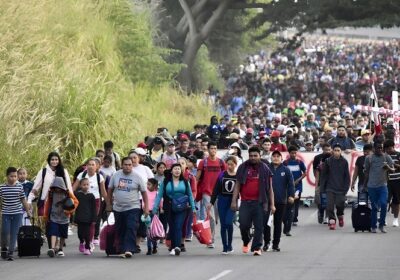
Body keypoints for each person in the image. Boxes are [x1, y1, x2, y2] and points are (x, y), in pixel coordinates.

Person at [231, 146, 275, 256]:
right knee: (244, 225)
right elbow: (237, 185)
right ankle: (246, 241)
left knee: (259, 226)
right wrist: (234, 201)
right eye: (251, 156)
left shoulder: (265, 169)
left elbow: (270, 189)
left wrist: (272, 204)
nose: (253, 158)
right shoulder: (243, 167)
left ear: (260, 156)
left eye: (255, 156)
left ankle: (257, 248)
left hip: (260, 203)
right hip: (245, 202)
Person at [107, 157, 149, 258]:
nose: (127, 167)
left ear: (132, 165)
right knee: (120, 229)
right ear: (122, 165)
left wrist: (146, 207)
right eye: (125, 164)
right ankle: (122, 249)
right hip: (118, 208)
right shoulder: (116, 175)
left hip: (133, 207)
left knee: (131, 226)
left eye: (129, 165)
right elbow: (110, 190)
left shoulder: (137, 177)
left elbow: (144, 193)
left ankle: (129, 249)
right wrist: (109, 204)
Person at [27, 152, 73, 242]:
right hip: (46, 203)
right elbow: (36, 187)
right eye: (52, 159)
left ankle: (57, 245)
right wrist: (29, 199)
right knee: (49, 225)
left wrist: (71, 201)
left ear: (59, 160)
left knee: (60, 224)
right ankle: (52, 246)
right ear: (49, 160)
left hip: (61, 203)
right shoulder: (43, 172)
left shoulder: (63, 171)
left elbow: (69, 187)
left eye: (56, 159)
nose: (54, 161)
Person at [152, 164, 196, 256]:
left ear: (181, 171)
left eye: (179, 169)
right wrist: (155, 208)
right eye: (175, 169)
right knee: (172, 226)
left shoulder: (185, 182)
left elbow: (190, 195)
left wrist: (193, 207)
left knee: (178, 226)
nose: (177, 171)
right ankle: (172, 246)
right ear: (171, 171)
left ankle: (177, 247)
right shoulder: (166, 181)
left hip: (182, 207)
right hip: (168, 206)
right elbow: (159, 195)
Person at [196, 141, 226, 248]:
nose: (213, 150)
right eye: (211, 148)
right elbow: (197, 178)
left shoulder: (221, 162)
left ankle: (211, 234)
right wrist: (194, 191)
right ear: (208, 149)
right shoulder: (203, 163)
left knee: (217, 218)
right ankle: (210, 239)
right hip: (207, 192)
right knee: (211, 216)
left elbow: (226, 176)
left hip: (219, 193)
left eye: (215, 148)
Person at [73, 158, 107, 248]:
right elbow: (73, 188)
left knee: (92, 221)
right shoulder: (82, 175)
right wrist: (70, 199)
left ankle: (90, 241)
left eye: (93, 165)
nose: (91, 166)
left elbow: (103, 192)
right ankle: (83, 240)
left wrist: (109, 204)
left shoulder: (99, 177)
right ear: (86, 166)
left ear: (97, 167)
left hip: (95, 200)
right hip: (82, 200)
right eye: (89, 164)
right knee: (81, 221)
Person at [265, 150, 294, 251]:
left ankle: (275, 244)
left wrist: (291, 195)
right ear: (271, 158)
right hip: (267, 201)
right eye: (274, 156)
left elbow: (290, 184)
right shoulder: (266, 168)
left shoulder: (286, 170)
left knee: (278, 223)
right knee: (266, 223)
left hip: (281, 201)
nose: (276, 158)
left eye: (278, 156)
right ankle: (266, 242)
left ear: (281, 158)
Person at [209, 156, 237, 254]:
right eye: (228, 164)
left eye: (231, 164)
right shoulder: (222, 175)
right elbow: (216, 189)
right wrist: (211, 202)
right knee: (223, 225)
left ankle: (230, 244)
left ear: (235, 164)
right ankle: (225, 247)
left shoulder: (238, 176)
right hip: (222, 201)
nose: (229, 166)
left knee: (229, 222)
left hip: (232, 202)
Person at [0, 167, 31, 261]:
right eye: (11, 176)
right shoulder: (2, 187)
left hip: (18, 213)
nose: (13, 178)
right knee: (5, 232)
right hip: (6, 213)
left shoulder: (19, 187)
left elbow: (23, 200)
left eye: (15, 176)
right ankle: (4, 247)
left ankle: (11, 253)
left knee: (14, 233)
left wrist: (28, 212)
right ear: (7, 176)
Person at [44, 176, 78, 257]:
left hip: (64, 218)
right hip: (53, 216)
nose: (57, 189)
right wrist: (46, 215)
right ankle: (52, 248)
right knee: (53, 232)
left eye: (59, 187)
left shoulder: (67, 193)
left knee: (63, 234)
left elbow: (76, 202)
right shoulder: (51, 193)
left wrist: (69, 211)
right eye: (56, 187)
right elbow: (48, 204)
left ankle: (60, 249)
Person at [364, 141, 394, 233]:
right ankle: (373, 226)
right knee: (374, 207)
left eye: (381, 148)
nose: (380, 149)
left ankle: (381, 224)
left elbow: (393, 170)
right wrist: (364, 185)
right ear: (374, 149)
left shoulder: (387, 157)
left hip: (383, 186)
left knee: (384, 204)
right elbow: (367, 172)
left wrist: (387, 167)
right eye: (378, 148)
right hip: (372, 186)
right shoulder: (369, 158)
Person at [320, 144, 350, 230]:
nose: (336, 152)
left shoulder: (344, 162)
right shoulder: (328, 161)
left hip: (341, 188)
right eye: (335, 150)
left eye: (338, 150)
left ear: (341, 151)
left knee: (340, 205)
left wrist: (346, 188)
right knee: (329, 206)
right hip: (330, 187)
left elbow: (347, 176)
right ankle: (332, 221)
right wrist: (322, 187)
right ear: (332, 151)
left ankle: (340, 216)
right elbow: (324, 175)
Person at [283, 146, 306, 232]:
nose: (293, 154)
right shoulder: (285, 163)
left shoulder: (300, 162)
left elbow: (305, 173)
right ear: (289, 153)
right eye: (292, 153)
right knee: (289, 202)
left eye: (295, 153)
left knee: (296, 202)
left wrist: (298, 180)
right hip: (288, 186)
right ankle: (288, 217)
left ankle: (294, 218)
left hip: (298, 186)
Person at [74, 178, 97, 255]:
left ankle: (87, 247)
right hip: (79, 218)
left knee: (87, 234)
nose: (86, 186)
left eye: (87, 184)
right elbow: (74, 206)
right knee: (80, 233)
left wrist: (94, 218)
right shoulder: (77, 195)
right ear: (80, 185)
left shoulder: (91, 196)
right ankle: (81, 242)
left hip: (88, 218)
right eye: (84, 184)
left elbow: (94, 208)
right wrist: (74, 217)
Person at [313, 143, 332, 224]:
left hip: (331, 183)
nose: (327, 151)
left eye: (329, 149)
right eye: (325, 150)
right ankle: (320, 212)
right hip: (321, 182)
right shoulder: (317, 158)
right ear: (322, 150)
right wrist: (316, 184)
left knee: (329, 201)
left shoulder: (333, 158)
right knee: (319, 200)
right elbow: (315, 171)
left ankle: (327, 216)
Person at [384, 140, 400, 227]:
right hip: (387, 181)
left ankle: (395, 219)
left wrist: (394, 164)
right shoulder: (384, 156)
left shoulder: (398, 155)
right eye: (386, 149)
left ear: (393, 147)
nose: (388, 151)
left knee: (396, 201)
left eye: (389, 148)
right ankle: (384, 218)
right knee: (385, 200)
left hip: (397, 180)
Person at [145, 178, 161, 255]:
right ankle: (149, 248)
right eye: (147, 184)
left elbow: (160, 202)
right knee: (148, 231)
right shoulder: (145, 193)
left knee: (153, 230)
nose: (147, 186)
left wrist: (161, 208)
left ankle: (154, 246)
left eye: (149, 184)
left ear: (154, 186)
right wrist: (144, 210)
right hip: (147, 213)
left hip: (155, 213)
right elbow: (143, 202)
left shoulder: (157, 193)